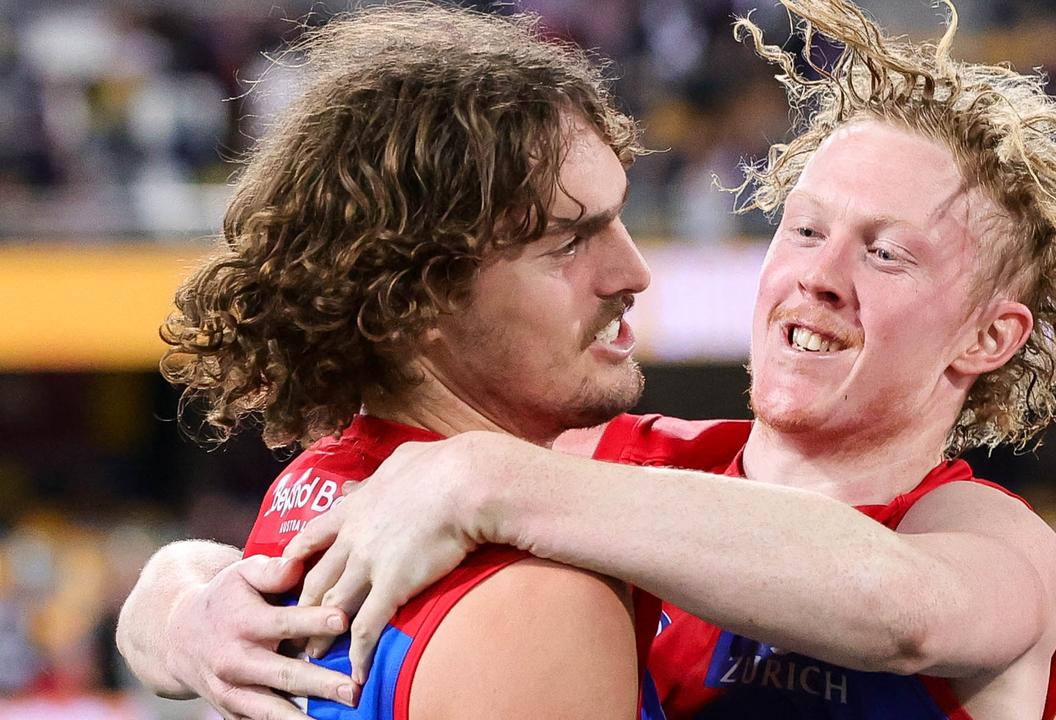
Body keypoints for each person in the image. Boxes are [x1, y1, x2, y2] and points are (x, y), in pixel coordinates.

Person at [118, 1, 1056, 718]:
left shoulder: (979, 535)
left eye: (884, 252)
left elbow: (904, 613)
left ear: (989, 336)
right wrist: (186, 600)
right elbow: (276, 533)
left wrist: (485, 474)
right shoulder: (601, 470)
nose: (819, 276)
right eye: (801, 231)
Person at [117, 5, 665, 720]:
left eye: (618, 218)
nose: (634, 271)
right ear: (419, 297)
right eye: (568, 242)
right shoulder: (535, 599)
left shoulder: (312, 488)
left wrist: (173, 594)